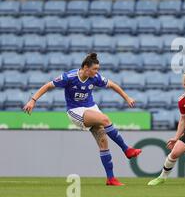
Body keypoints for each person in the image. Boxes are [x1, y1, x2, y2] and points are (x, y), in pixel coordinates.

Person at [22, 53, 142, 186]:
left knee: (103, 142)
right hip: (76, 111)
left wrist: (127, 98)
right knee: (105, 119)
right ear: (86, 67)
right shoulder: (69, 77)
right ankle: (126, 149)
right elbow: (48, 86)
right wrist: (33, 101)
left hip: (91, 108)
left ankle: (111, 179)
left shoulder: (94, 78)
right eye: (95, 69)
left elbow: (112, 84)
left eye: (98, 69)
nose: (97, 72)